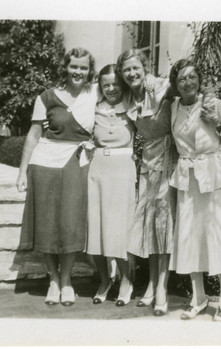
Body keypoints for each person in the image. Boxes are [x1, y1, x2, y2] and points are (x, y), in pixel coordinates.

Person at [16, 47, 98, 307]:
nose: (78, 71)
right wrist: (21, 171)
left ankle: (67, 280)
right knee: (48, 223)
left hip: (79, 161)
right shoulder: (47, 96)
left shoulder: (95, 95)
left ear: (89, 71)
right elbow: (34, 134)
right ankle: (53, 281)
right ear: (65, 67)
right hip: (46, 163)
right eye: (74, 66)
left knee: (72, 222)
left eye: (83, 67)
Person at [167, 59, 221, 321]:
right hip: (187, 178)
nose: (187, 82)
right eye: (181, 79)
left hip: (213, 175)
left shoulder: (213, 104)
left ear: (199, 79)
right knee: (190, 238)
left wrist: (219, 122)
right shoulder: (174, 107)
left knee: (220, 236)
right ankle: (198, 298)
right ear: (175, 85)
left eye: (192, 77)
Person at [117, 49, 177, 316]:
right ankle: (152, 284)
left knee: (164, 225)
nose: (131, 73)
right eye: (126, 70)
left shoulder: (160, 85)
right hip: (147, 164)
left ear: (145, 67)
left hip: (168, 160)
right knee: (151, 224)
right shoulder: (129, 98)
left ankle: (162, 288)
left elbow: (186, 93)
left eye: (135, 68)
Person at [86, 64, 136, 306]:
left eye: (116, 83)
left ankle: (127, 280)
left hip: (123, 170)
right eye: (106, 84)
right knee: (96, 227)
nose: (111, 88)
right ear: (100, 86)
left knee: (119, 229)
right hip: (97, 169)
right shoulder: (93, 109)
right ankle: (104, 280)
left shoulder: (132, 107)